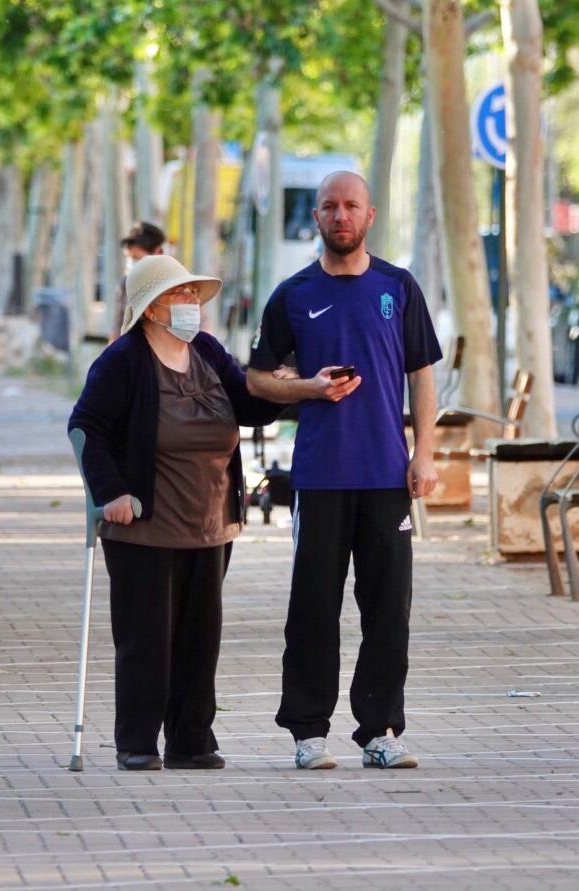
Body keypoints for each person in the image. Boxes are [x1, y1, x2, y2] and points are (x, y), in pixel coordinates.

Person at [246, 171, 442, 771]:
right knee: (313, 606)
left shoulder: (398, 287)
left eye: (350, 206)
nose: (340, 216)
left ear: (370, 215)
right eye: (329, 207)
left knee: (388, 607)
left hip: (387, 475)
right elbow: (255, 378)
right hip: (320, 477)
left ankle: (380, 731)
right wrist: (306, 388)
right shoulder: (293, 294)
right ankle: (308, 733)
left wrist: (424, 452)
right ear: (317, 218)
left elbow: (422, 375)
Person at [69, 254, 284, 771]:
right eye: (180, 295)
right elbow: (86, 429)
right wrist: (111, 492)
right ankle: (137, 742)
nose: (192, 304)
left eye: (193, 294)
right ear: (150, 309)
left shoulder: (207, 351)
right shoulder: (122, 361)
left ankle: (192, 741)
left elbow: (251, 406)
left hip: (210, 524)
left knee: (199, 639)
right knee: (147, 640)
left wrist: (289, 385)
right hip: (144, 526)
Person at [108, 221, 165, 342]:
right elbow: (117, 325)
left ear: (157, 252)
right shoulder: (125, 284)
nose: (131, 263)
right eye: (129, 258)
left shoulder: (175, 285)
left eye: (136, 258)